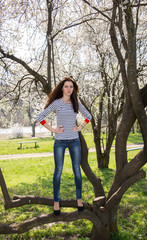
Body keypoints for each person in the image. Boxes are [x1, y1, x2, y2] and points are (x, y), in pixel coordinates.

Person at [37, 77, 92, 215]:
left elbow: (89, 116)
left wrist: (80, 127)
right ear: (62, 88)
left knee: (77, 171)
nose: (69, 89)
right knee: (58, 171)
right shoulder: (56, 103)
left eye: (71, 87)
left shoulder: (76, 103)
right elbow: (40, 117)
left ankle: (79, 199)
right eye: (66, 86)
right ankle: (56, 201)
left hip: (74, 141)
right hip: (59, 142)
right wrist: (53, 130)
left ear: (73, 89)